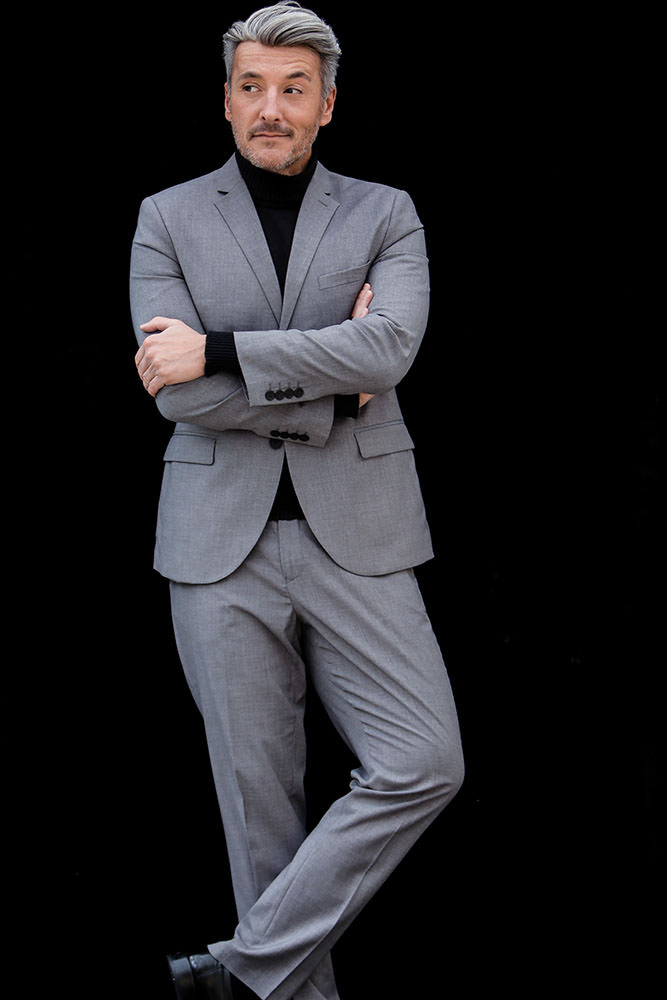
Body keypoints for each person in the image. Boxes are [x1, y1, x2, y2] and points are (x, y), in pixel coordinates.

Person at [130, 4, 464, 998]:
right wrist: (336, 388)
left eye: (293, 89)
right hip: (215, 544)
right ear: (227, 99)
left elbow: (387, 349)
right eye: (252, 87)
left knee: (423, 760)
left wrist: (222, 348)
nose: (270, 108)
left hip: (361, 533)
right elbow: (174, 392)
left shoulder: (385, 213)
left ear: (328, 104)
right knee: (258, 818)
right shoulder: (166, 216)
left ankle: (237, 975)